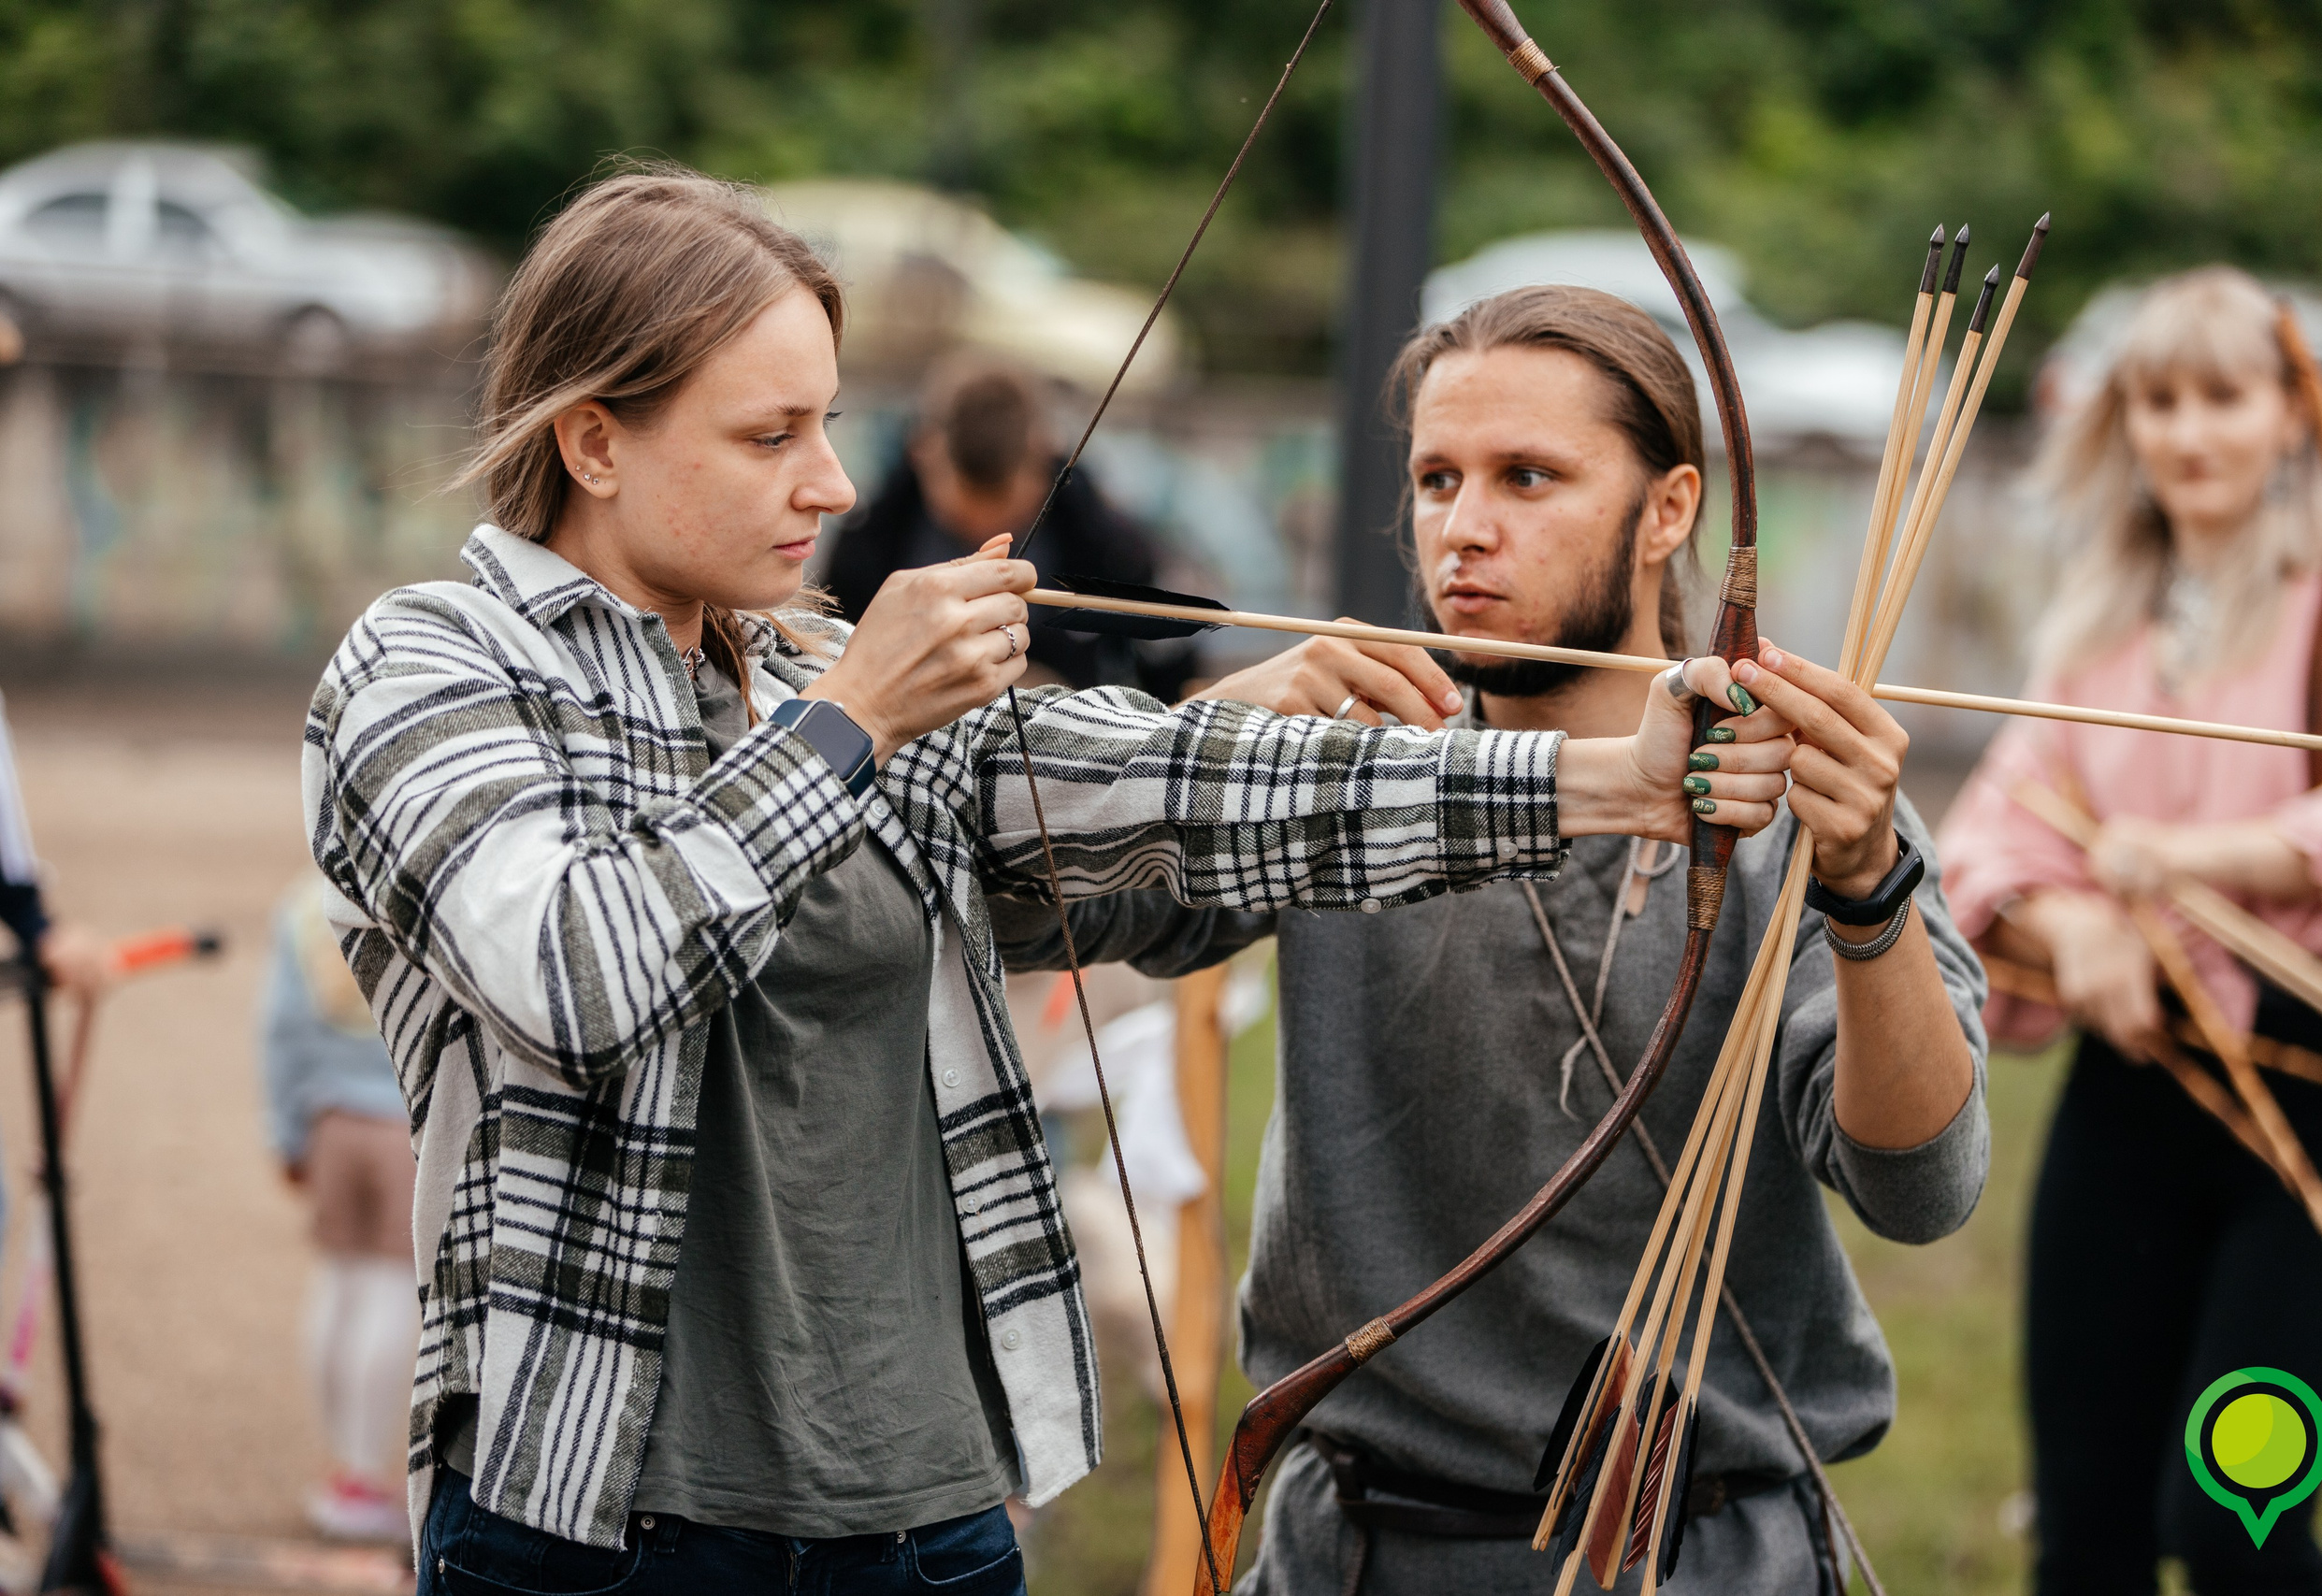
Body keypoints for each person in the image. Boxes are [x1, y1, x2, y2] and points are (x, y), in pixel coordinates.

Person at [300, 171, 1798, 1596]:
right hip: (594, 1521)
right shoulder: (431, 667)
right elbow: (579, 976)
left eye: (828, 423)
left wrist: (1617, 777)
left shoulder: (818, 665)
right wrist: (851, 726)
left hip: (928, 1517)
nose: (829, 480)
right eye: (770, 437)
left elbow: (1162, 798)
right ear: (594, 440)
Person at [993, 283, 1990, 1595]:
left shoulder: (1788, 784)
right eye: (1437, 478)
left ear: (1670, 509)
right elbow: (1023, 901)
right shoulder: (1345, 768)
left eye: (1529, 477)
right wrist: (1229, 734)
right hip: (1354, 1542)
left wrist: (1864, 887)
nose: (1465, 529)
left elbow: (1919, 1185)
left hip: (1693, 1543)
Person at [1939, 266, 2322, 1595]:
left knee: (2233, 1521)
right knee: (2087, 1536)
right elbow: (1997, 830)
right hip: (2135, 1094)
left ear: (2294, 415)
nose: (2190, 434)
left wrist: (2191, 861)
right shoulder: (2104, 611)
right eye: (2160, 401)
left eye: (2224, 398)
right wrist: (2068, 913)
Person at [823, 357, 1194, 697]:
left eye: (1005, 502)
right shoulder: (868, 546)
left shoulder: (1111, 549)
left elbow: (1169, 670)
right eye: (967, 501)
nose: (987, 532)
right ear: (923, 451)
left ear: (1046, 454)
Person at [259, 876, 418, 1544]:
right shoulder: (424, 894)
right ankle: (362, 1474)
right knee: (390, 1291)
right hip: (408, 1128)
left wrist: (286, 1130)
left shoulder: (302, 907)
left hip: (328, 1120)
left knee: (338, 1279)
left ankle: (341, 1466)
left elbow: (278, 1028)